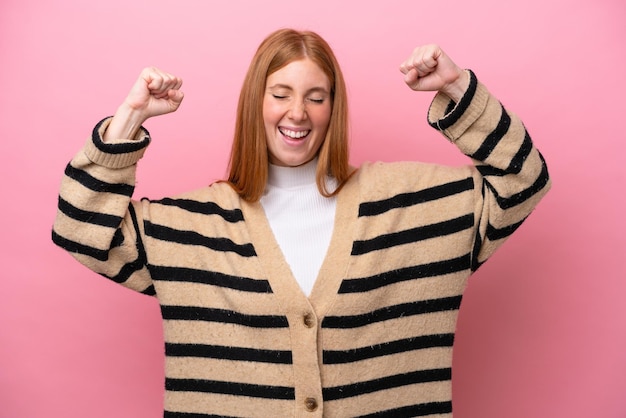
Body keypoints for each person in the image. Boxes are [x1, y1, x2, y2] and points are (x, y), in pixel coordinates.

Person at [52, 28, 550, 417]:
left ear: (334, 107)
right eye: (281, 93)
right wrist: (128, 119)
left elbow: (522, 179)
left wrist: (456, 87)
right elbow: (80, 229)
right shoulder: (191, 228)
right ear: (256, 103)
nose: (298, 112)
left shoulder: (413, 210)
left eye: (317, 95)